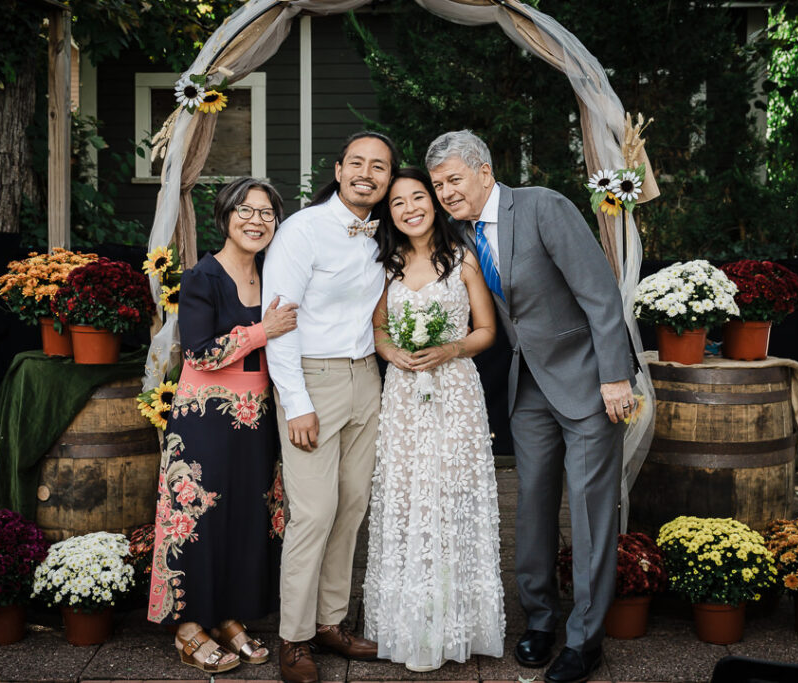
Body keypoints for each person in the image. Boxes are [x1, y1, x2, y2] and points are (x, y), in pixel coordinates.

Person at [427, 130, 636, 683]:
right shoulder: (461, 233)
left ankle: (585, 639)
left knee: (590, 514)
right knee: (532, 507)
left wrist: (616, 376)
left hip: (589, 383)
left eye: (453, 179)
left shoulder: (543, 206)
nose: (446, 192)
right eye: (438, 184)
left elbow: (599, 292)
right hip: (529, 388)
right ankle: (541, 621)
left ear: (485, 172)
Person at [261, 131, 400, 683]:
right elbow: (280, 321)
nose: (368, 173)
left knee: (351, 506)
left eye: (381, 167)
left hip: (368, 377)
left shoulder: (388, 230)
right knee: (313, 512)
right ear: (339, 170)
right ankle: (292, 639)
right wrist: (296, 403)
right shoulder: (302, 230)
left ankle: (330, 622)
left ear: (389, 178)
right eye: (358, 164)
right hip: (312, 381)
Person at [147, 177, 298, 674]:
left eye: (267, 213)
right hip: (204, 420)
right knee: (199, 519)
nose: (257, 221)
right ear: (226, 216)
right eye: (246, 211)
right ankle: (188, 625)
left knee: (246, 517)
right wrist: (263, 330)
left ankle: (229, 616)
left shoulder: (276, 275)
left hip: (256, 420)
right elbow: (199, 351)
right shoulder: (201, 277)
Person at [363, 167, 506, 672]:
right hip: (404, 394)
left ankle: (458, 621)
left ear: (434, 201)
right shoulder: (386, 265)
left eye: (417, 197)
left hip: (456, 392)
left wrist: (448, 349)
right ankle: (411, 624)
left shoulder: (463, 258)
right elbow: (378, 329)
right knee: (407, 496)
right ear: (391, 213)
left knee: (452, 494)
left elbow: (487, 330)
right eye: (397, 203)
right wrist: (391, 353)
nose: (409, 208)